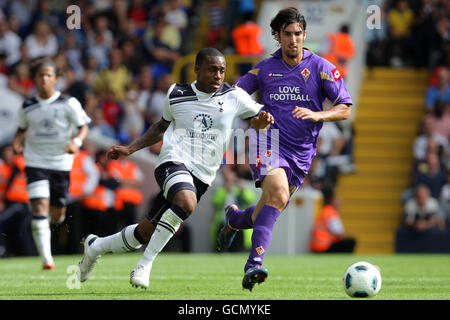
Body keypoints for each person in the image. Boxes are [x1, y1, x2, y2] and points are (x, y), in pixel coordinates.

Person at [76, 47, 274, 289]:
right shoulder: (176, 93)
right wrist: (131, 148)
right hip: (172, 161)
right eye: (212, 69)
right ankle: (144, 265)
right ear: (197, 69)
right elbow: (160, 127)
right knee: (186, 202)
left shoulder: (234, 96)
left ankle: (95, 247)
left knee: (143, 233)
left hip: (203, 175)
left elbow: (264, 117)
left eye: (222, 70)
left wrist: (263, 122)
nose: (218, 75)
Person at [217, 7, 352, 291]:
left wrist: (319, 115)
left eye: (298, 34)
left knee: (269, 208)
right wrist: (254, 118)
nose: (293, 40)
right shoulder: (264, 69)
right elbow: (236, 98)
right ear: (277, 36)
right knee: (277, 194)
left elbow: (344, 109)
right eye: (288, 34)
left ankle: (233, 218)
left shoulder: (322, 68)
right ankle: (253, 264)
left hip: (302, 153)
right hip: (268, 141)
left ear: (305, 35)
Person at [12, 60, 91, 269]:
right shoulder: (28, 106)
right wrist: (17, 142)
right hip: (35, 161)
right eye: (40, 75)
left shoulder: (68, 103)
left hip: (61, 163)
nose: (44, 79)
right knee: (39, 206)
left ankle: (53, 219)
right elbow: (21, 129)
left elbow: (83, 127)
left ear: (56, 78)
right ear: (35, 78)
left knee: (57, 214)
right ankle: (47, 259)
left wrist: (76, 142)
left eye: (48, 75)